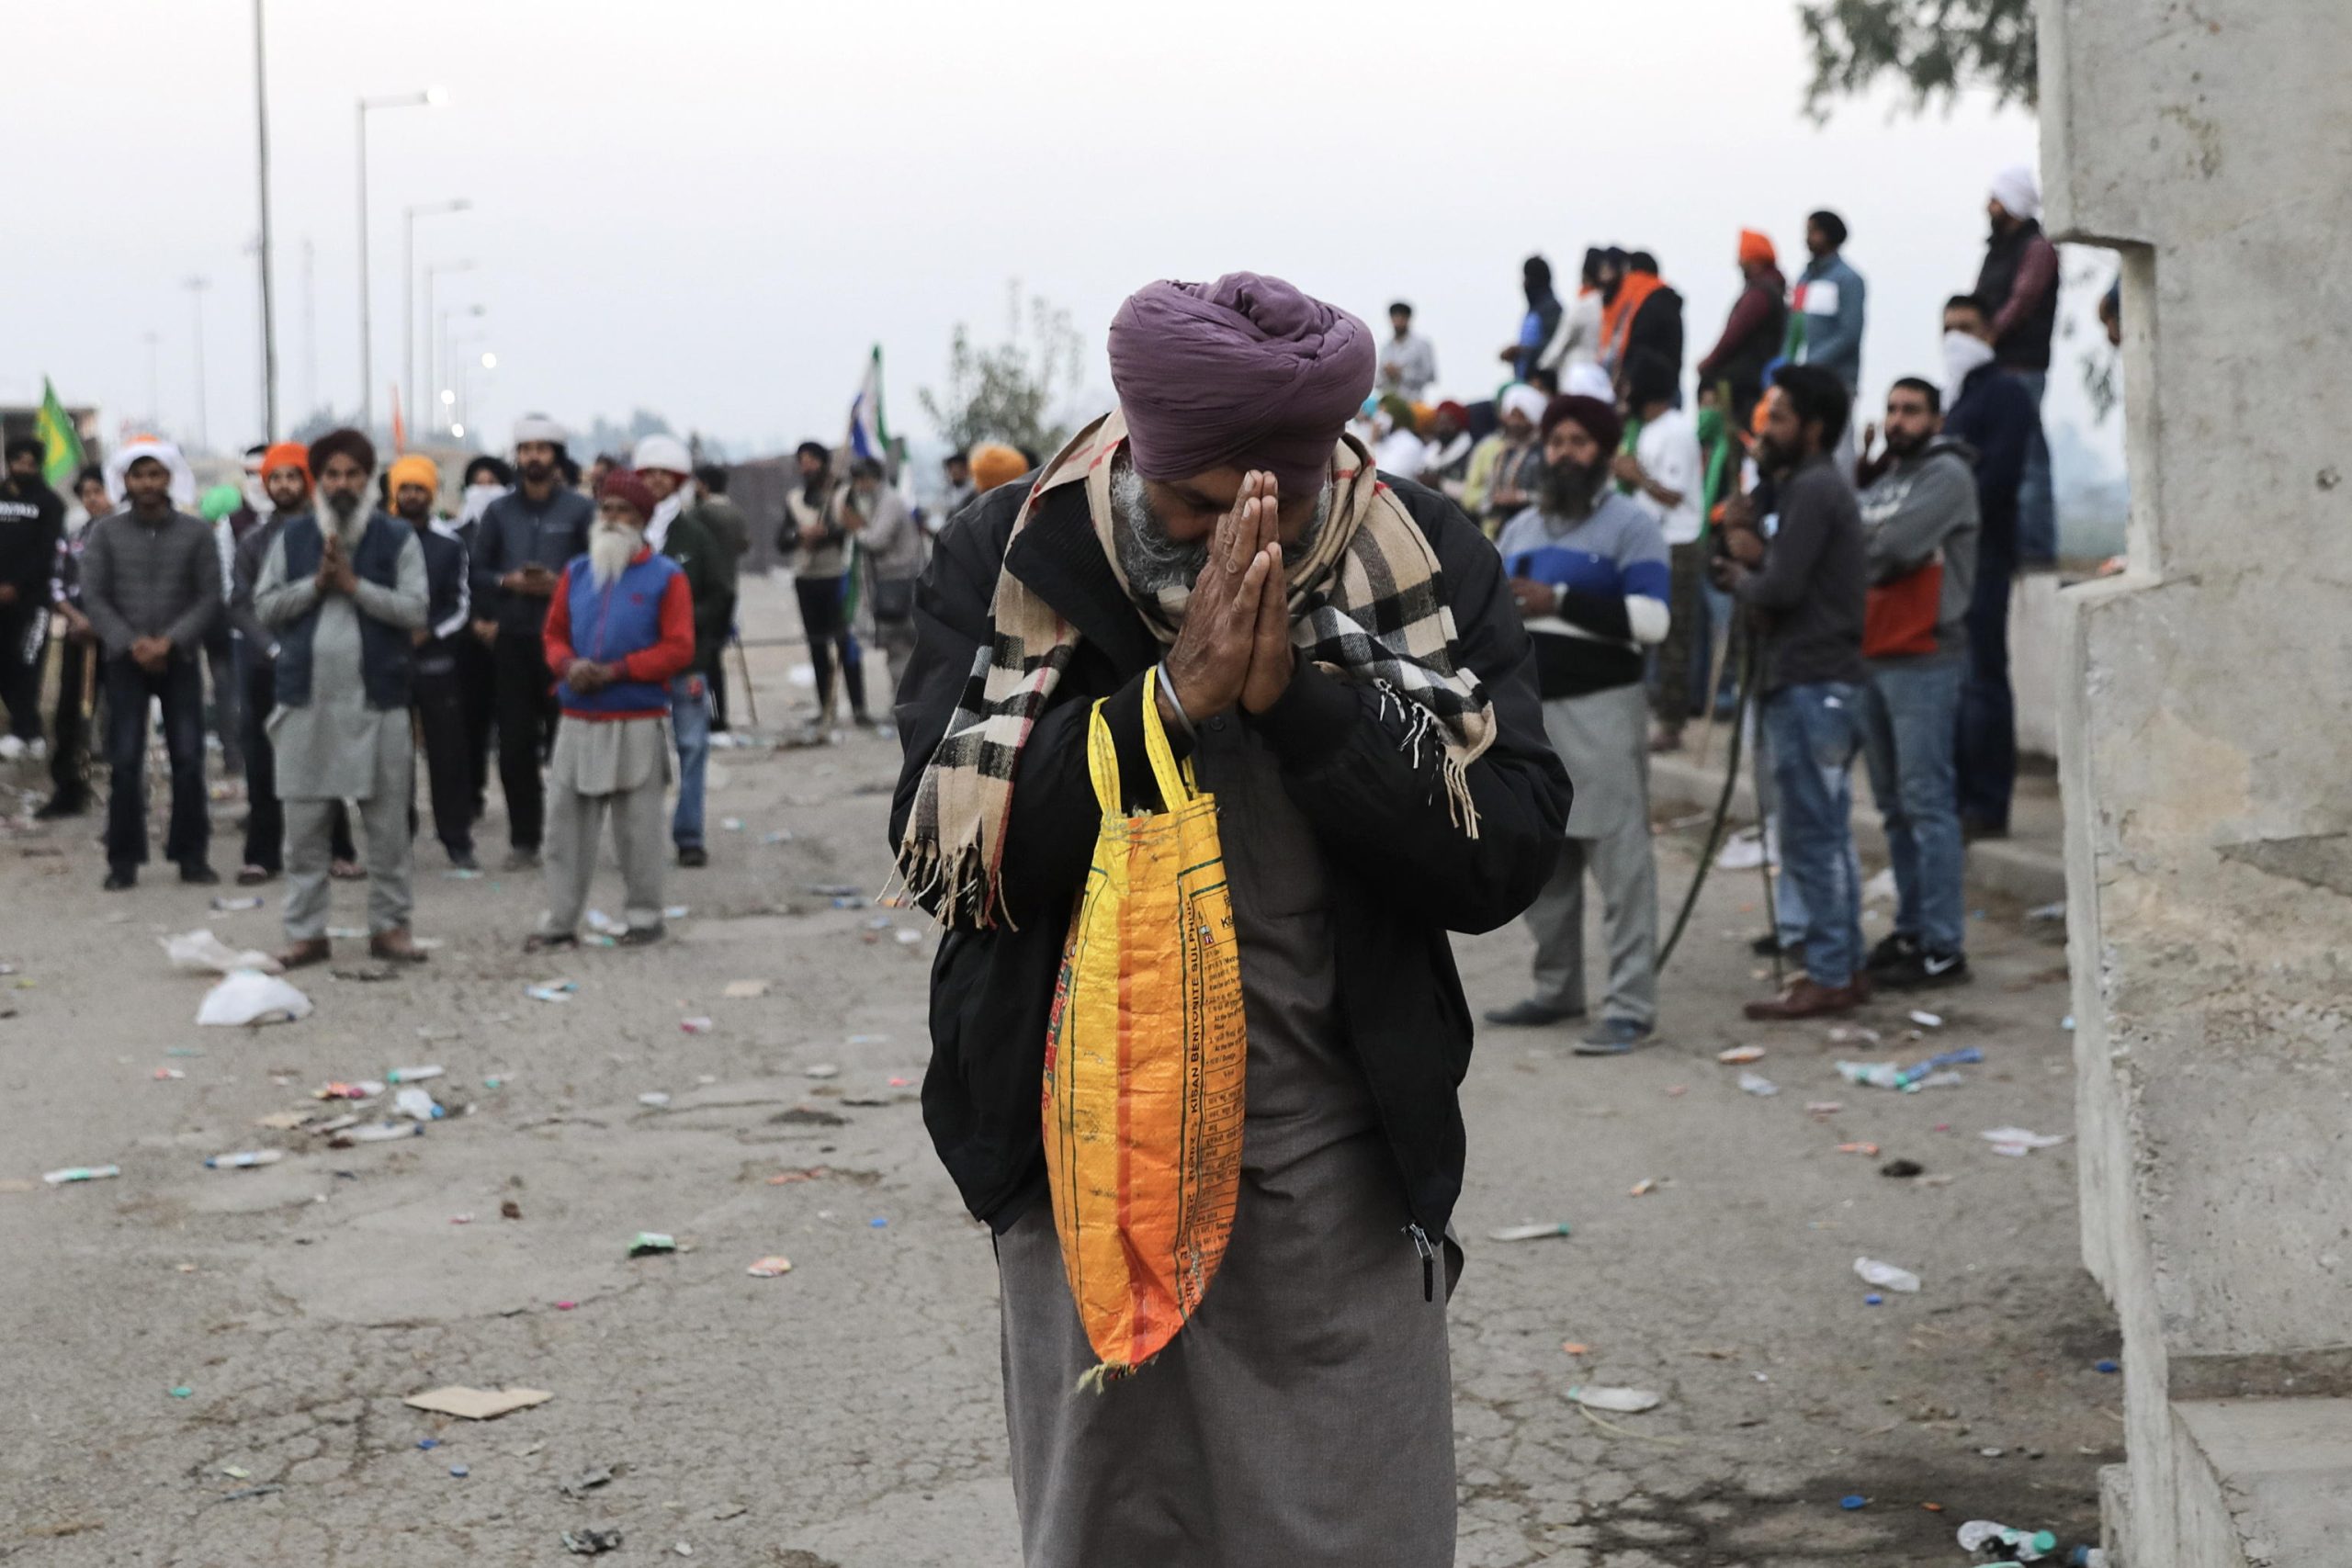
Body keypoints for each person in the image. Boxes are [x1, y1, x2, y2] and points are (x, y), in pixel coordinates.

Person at [890, 270, 1566, 1568]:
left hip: (1333, 1162)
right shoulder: (1015, 552)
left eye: (1276, 510)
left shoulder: (1417, 556)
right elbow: (949, 861)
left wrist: (1304, 708)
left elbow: (1508, 850)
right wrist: (1168, 705)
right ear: (1142, 450)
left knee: (1355, 1521)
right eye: (1195, 506)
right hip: (1087, 1152)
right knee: (1113, 1524)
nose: (1229, 542)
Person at [1487, 392, 1669, 1050]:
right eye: (1556, 441)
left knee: (1620, 864)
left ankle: (1630, 1008)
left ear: (1605, 453)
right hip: (1532, 718)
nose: (1564, 453)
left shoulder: (1632, 526)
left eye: (1579, 442)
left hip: (1603, 713)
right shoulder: (1521, 529)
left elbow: (1654, 620)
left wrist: (1559, 600)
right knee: (1546, 862)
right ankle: (1557, 989)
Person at [1713, 367, 1871, 1020]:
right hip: (1812, 680)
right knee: (1823, 833)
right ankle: (1843, 965)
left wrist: (1738, 575)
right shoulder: (1803, 487)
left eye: (1778, 417)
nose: (1765, 430)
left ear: (1812, 427)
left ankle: (1830, 973)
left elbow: (1780, 587)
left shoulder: (1813, 488)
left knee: (1811, 837)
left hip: (1811, 681)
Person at [252, 430, 429, 966]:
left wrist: (355, 587)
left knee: (388, 830)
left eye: (353, 474)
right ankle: (306, 933)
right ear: (319, 481)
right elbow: (265, 607)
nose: (342, 484)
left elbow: (416, 610)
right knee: (304, 834)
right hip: (306, 703)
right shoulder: (294, 537)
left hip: (378, 703)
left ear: (369, 480)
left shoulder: (397, 537)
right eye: (332, 474)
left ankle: (391, 928)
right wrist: (316, 585)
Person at [528, 470, 694, 949]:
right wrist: (568, 665)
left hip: (636, 718)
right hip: (577, 718)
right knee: (564, 830)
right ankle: (560, 922)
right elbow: (553, 635)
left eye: (625, 511)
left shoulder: (666, 576)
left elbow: (679, 647)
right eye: (607, 509)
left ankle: (644, 919)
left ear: (641, 520)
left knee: (639, 831)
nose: (613, 518)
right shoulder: (577, 572)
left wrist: (620, 670)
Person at [1853, 376, 1979, 990]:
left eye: (1911, 411)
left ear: (1935, 420)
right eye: (1892, 409)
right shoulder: (1885, 480)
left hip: (1925, 656)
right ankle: (1911, 929)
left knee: (1927, 803)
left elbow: (1896, 547)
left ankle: (1943, 945)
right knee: (1894, 808)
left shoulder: (1946, 476)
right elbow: (1862, 543)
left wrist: (1857, 549)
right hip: (1873, 653)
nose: (1898, 420)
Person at [80, 439, 220, 889]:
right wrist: (130, 642)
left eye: (155, 474)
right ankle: (123, 862)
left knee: (189, 758)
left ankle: (191, 857)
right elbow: (94, 596)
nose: (147, 484)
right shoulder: (105, 534)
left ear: (169, 478)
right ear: (125, 481)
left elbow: (209, 597)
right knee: (124, 761)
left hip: (179, 659)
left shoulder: (197, 534)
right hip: (124, 660)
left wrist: (169, 642)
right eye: (138, 476)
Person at [228, 443, 356, 884]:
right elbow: (241, 604)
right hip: (266, 667)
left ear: (308, 482)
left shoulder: (331, 536)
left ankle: (338, 849)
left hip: (322, 661)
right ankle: (262, 855)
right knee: (262, 760)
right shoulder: (253, 541)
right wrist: (273, 649)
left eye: (291, 477)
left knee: (326, 756)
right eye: (275, 478)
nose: (283, 486)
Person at [1939, 294, 2041, 841]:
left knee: (1982, 678)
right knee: (1955, 681)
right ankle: (1959, 798)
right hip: (1948, 559)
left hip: (1984, 552)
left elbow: (1998, 478)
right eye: (1948, 328)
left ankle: (1986, 803)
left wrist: (1947, 511)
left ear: (1989, 334)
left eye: (1966, 327)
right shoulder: (1954, 398)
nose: (1955, 338)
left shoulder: (2005, 394)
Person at [471, 415, 594, 869]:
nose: (534, 457)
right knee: (515, 746)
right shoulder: (499, 512)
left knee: (569, 745)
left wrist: (560, 585)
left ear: (556, 457)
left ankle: (570, 838)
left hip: (567, 645)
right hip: (513, 642)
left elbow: (599, 571)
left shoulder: (580, 511)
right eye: (526, 450)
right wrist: (509, 582)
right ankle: (525, 839)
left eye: (542, 449)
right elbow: (477, 571)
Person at [635, 434, 725, 866]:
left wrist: (681, 624)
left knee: (691, 749)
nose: (655, 481)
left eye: (663, 474)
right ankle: (640, 837)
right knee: (638, 756)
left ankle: (689, 835)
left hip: (687, 663)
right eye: (648, 474)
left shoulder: (697, 534)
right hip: (637, 665)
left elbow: (720, 594)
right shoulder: (630, 533)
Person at [384, 454, 477, 871]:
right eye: (404, 488)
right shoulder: (378, 540)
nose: (411, 496)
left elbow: (461, 605)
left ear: (431, 493)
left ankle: (456, 840)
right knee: (392, 759)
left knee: (448, 757)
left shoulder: (449, 543)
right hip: (389, 664)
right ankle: (396, 839)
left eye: (419, 488)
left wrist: (430, 632)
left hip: (437, 664)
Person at [1611, 350, 1704, 752]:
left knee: (1673, 636)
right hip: (1647, 543)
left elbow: (1673, 494)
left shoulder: (1676, 431)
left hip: (1677, 542)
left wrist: (1638, 477)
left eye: (1630, 384)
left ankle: (1671, 723)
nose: (1625, 392)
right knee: (1639, 628)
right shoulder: (1644, 430)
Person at [1975, 165, 2061, 566]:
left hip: (2022, 366)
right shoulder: (1998, 249)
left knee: (2028, 459)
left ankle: (2035, 548)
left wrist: (1987, 335)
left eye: (1995, 199)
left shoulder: (2037, 248)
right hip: (1995, 366)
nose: (1989, 207)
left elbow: (2022, 301)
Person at [775, 441, 867, 728]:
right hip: (807, 579)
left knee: (845, 643)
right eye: (802, 461)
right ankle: (826, 707)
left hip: (837, 576)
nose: (807, 466)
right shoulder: (794, 499)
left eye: (812, 460)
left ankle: (859, 707)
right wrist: (800, 535)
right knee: (817, 645)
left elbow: (856, 528)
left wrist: (825, 533)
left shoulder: (842, 494)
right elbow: (782, 540)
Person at [36, 466, 107, 818]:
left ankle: (129, 795)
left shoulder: (125, 534)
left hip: (119, 638)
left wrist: (104, 622)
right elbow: (56, 585)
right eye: (86, 494)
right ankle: (69, 788)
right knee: (70, 712)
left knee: (121, 715)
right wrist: (78, 619)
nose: (93, 499)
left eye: (99, 491)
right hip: (79, 635)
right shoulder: (75, 536)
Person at [449, 455, 512, 812]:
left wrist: (501, 622)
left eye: (492, 483)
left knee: (513, 726)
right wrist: (474, 621)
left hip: (510, 634)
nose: (484, 490)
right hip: (466, 638)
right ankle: (471, 793)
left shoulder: (514, 535)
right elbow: (452, 586)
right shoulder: (456, 535)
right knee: (469, 721)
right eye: (478, 483)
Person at [0, 438, 67, 757]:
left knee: (28, 662)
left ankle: (26, 732)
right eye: (18, 462)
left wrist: (17, 585)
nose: (23, 468)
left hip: (33, 601)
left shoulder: (49, 502)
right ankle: (26, 727)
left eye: (30, 463)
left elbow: (47, 550)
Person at [839, 456, 920, 690]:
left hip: (898, 584)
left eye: (859, 480)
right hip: (888, 584)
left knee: (900, 649)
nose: (858, 487)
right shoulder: (879, 502)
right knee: (895, 650)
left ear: (869, 479)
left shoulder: (889, 502)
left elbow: (876, 540)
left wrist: (857, 529)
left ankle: (906, 700)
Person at [1695, 230, 1789, 426]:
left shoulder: (1760, 294)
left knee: (1735, 434)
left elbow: (1734, 335)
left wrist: (1709, 364)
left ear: (1754, 262)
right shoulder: (1772, 291)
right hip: (1755, 381)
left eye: (1742, 259)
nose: (1738, 264)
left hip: (1743, 385)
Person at [687, 463, 748, 731]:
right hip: (730, 589)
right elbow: (744, 545)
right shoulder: (735, 512)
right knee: (715, 657)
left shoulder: (701, 513)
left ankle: (711, 715)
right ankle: (719, 713)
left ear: (703, 485)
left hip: (705, 594)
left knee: (704, 658)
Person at [1787, 210, 1866, 399]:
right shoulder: (1803, 279)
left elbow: (1849, 334)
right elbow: (1794, 325)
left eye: (1813, 231)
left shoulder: (1849, 280)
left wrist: (1811, 363)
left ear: (1829, 234)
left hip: (1836, 382)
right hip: (1802, 382)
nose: (1807, 238)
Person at [1461, 382, 1548, 533]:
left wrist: (1521, 497)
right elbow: (1476, 496)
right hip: (1501, 531)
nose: (1515, 423)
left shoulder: (1543, 453)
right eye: (1511, 416)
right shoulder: (1502, 454)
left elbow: (1554, 496)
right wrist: (1493, 500)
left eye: (1521, 417)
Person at [1612, 252, 1684, 380]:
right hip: (1663, 382)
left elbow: (1639, 346)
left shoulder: (1650, 305)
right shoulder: (1664, 301)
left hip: (1649, 383)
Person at [1541, 247, 1609, 375]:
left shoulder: (1583, 306)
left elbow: (1560, 345)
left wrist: (1541, 368)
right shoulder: (1610, 304)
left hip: (1578, 372)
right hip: (1603, 373)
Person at [1501, 254, 1563, 382]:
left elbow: (1555, 346)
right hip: (1523, 381)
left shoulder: (1552, 310)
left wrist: (1522, 351)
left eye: (1526, 278)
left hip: (1541, 383)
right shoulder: (1533, 311)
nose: (1523, 284)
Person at [1378, 299, 1438, 400]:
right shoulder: (1385, 348)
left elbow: (1431, 376)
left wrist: (1402, 374)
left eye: (1401, 318)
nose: (1398, 322)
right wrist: (1387, 374)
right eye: (1395, 318)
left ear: (1408, 319)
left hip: (1414, 402)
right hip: (1390, 403)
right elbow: (1377, 381)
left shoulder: (1421, 345)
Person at [1422, 400, 1476, 498]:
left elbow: (1471, 492)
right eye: (1439, 422)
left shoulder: (1471, 453)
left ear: (1459, 424)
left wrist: (1440, 483)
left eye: (1447, 422)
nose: (1442, 427)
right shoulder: (1430, 452)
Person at [1371, 394, 1427, 479]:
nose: (1378, 418)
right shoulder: (1387, 439)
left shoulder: (1410, 444)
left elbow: (1388, 474)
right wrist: (1373, 440)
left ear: (1395, 415)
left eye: (1383, 413)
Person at [938, 448, 976, 526]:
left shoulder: (974, 489)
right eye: (951, 468)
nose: (954, 471)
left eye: (958, 467)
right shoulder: (947, 492)